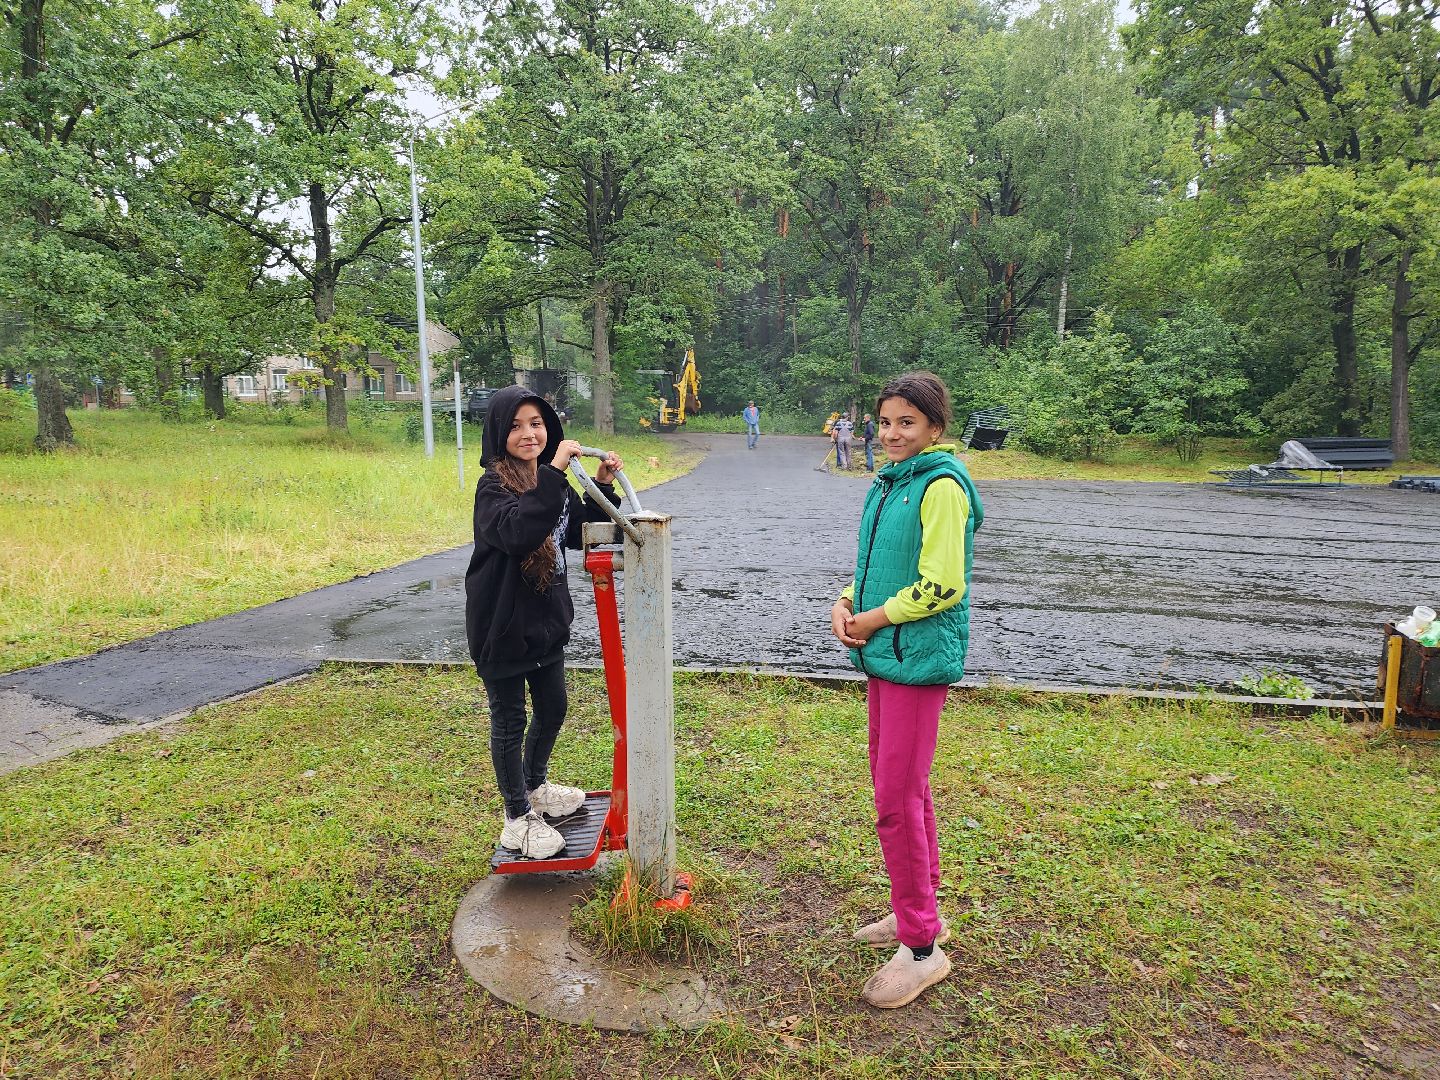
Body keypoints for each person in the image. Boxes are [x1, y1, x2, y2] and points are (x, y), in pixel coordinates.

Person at [829, 371, 984, 1009]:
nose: (892, 433)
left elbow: (943, 582)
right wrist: (845, 601)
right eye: (885, 421)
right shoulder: (889, 481)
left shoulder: (941, 486)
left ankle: (922, 948)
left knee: (896, 800)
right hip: (886, 657)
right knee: (901, 792)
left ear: (934, 429)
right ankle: (916, 910)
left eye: (907, 423)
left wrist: (872, 619)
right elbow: (874, 563)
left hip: (916, 660)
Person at [465, 384, 625, 859]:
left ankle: (535, 788)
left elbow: (577, 531)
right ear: (498, 433)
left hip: (544, 626)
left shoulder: (544, 478)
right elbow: (520, 532)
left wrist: (601, 482)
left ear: (549, 429)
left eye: (536, 424)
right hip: (503, 628)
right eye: (515, 426)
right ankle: (517, 817)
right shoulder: (493, 487)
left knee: (553, 707)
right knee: (510, 722)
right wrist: (555, 473)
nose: (527, 434)